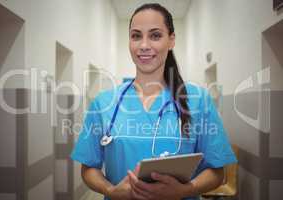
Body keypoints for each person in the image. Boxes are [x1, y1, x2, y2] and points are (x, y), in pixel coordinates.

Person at [71, 3, 237, 200]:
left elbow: (217, 172)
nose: (143, 45)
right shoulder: (104, 103)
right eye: (136, 36)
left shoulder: (198, 100)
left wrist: (184, 191)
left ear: (171, 40)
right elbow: (88, 168)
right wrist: (111, 191)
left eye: (155, 35)